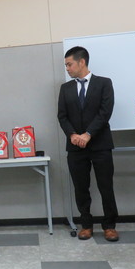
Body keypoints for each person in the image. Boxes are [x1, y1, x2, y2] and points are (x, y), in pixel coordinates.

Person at [57, 46, 119, 242]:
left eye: (69, 64)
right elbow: (62, 116)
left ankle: (110, 226)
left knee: (106, 186)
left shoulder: (104, 83)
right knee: (80, 187)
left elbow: (105, 111)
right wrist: (73, 134)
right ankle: (86, 224)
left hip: (100, 144)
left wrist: (88, 134)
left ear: (82, 62)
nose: (67, 68)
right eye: (66, 65)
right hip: (75, 146)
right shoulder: (65, 88)